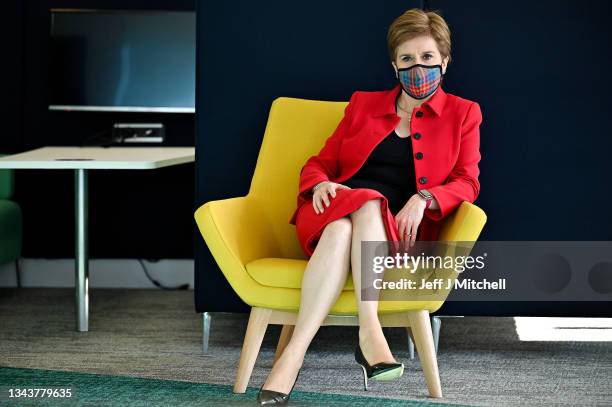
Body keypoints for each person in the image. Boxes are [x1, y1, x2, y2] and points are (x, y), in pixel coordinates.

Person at [257, 7, 482, 405]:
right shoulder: (362, 104)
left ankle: (291, 358)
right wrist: (321, 182)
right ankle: (369, 330)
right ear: (394, 63)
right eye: (407, 58)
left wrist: (424, 198)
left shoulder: (463, 113)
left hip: (392, 231)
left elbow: (467, 180)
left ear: (445, 61)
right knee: (360, 204)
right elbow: (319, 162)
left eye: (428, 58)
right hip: (332, 207)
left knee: (358, 215)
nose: (418, 67)